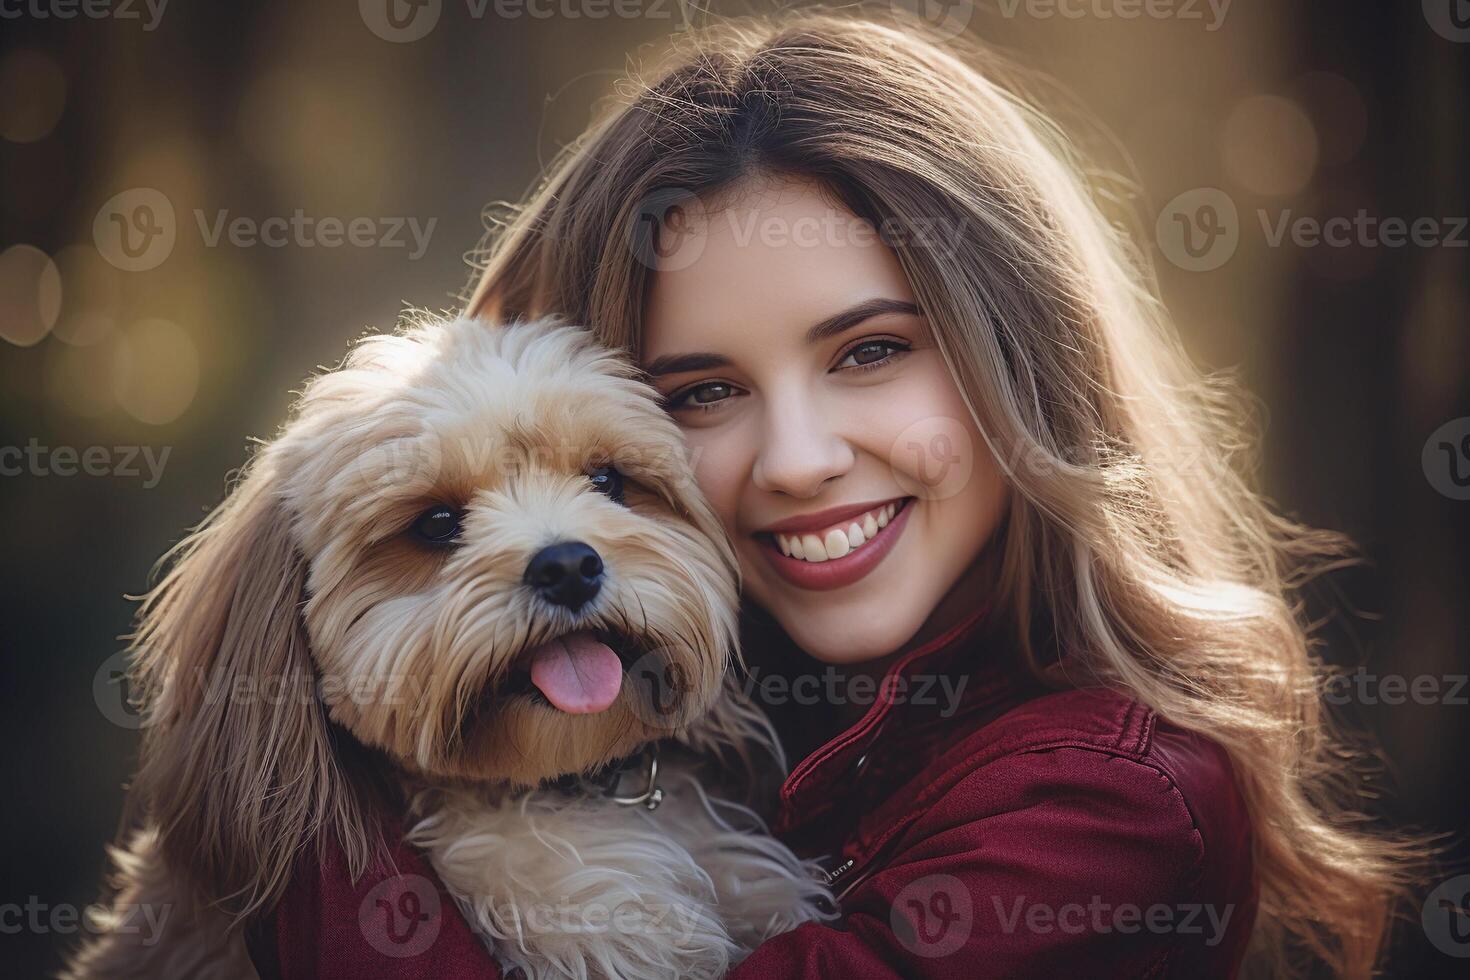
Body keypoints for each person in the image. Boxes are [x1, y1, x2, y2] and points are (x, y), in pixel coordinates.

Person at [263, 10, 1418, 979]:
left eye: (869, 352)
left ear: (1020, 357)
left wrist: (269, 817)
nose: (799, 458)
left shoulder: (1104, 805)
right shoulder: (708, 705)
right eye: (704, 390)